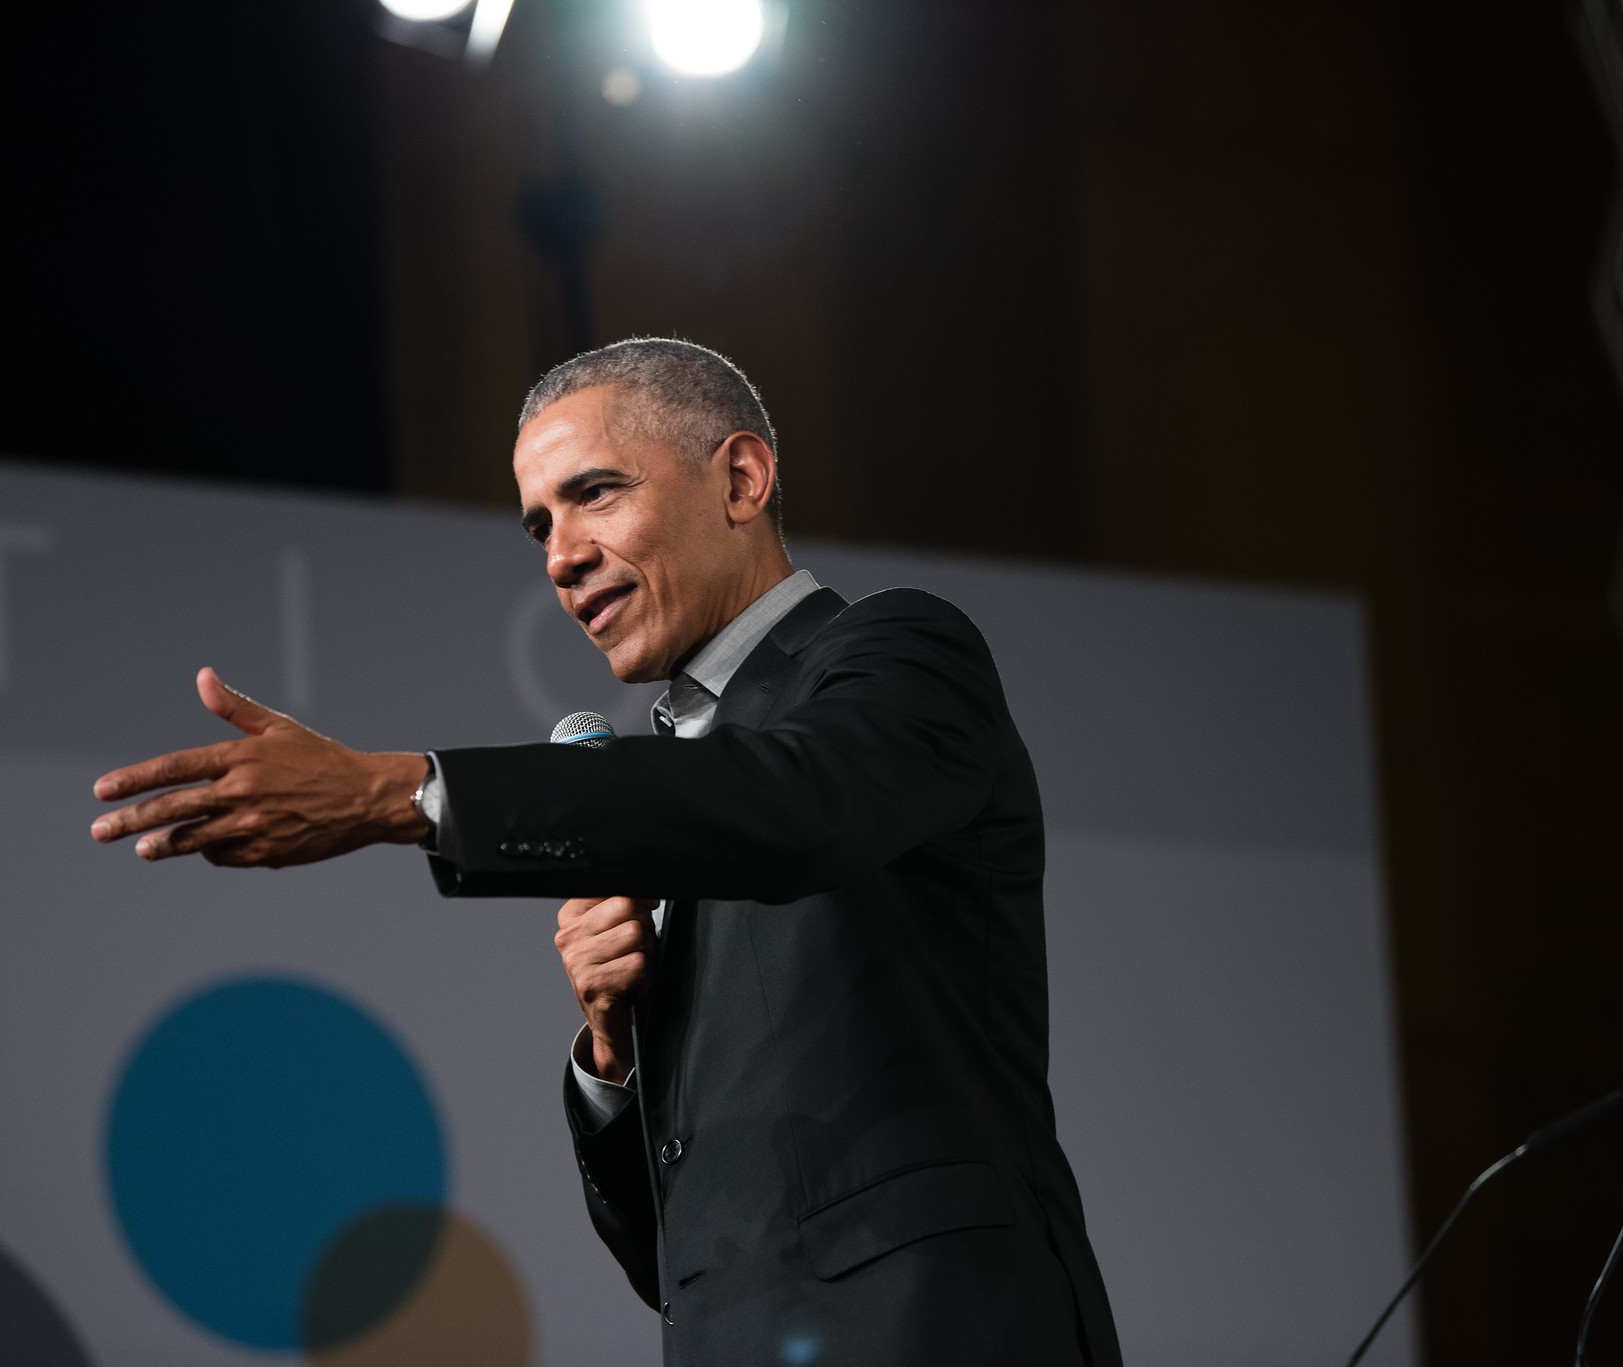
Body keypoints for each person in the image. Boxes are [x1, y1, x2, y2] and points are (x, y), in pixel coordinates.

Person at [90, 338, 1123, 1367]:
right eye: (540, 523)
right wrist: (613, 1053)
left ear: (740, 478)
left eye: (595, 493)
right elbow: (672, 1260)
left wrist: (396, 790)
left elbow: (801, 803)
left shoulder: (895, 654)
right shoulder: (674, 788)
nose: (559, 554)